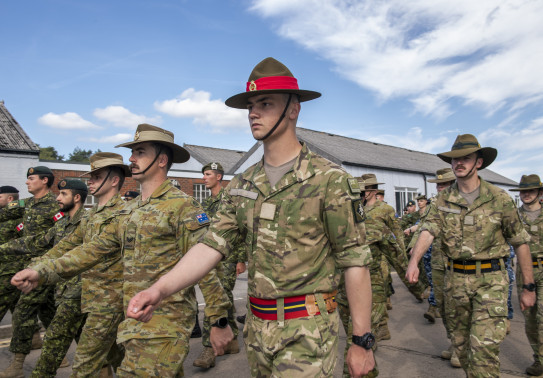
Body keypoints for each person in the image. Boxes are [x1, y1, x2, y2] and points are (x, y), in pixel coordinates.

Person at [124, 57, 376, 378]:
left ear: (293, 109)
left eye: (265, 103)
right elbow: (210, 247)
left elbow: (355, 261)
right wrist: (159, 290)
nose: (253, 113)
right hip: (257, 332)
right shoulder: (243, 184)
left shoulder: (329, 179)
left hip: (307, 331)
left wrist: (361, 340)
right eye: (251, 105)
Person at [12, 125, 231, 377]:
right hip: (134, 318)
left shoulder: (183, 206)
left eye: (139, 152)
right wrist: (41, 271)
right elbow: (90, 250)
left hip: (165, 322)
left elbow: (205, 266)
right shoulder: (130, 210)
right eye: (132, 153)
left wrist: (218, 319)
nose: (131, 159)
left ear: (161, 160)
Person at [406, 134, 536, 377]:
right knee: (462, 350)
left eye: (466, 158)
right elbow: (429, 229)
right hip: (455, 283)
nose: (459, 163)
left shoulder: (499, 198)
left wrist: (527, 287)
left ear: (479, 162)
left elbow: (520, 242)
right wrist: (414, 261)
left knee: (484, 352)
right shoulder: (444, 198)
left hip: (491, 282)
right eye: (455, 159)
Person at [23, 153, 130, 377]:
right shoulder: (91, 217)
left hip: (110, 301)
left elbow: (86, 253)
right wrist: (35, 266)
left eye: (96, 176)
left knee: (83, 365)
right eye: (90, 177)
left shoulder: (125, 215)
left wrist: (41, 272)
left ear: (114, 180)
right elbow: (65, 246)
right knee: (118, 358)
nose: (89, 181)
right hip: (92, 298)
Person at [0, 166, 60, 378]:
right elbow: (6, 212)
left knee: (23, 311)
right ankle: (56, 355)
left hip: (45, 267)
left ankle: (17, 365)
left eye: (31, 178)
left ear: (45, 180)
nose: (27, 182)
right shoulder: (27, 203)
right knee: (49, 313)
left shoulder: (56, 205)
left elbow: (60, 236)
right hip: (26, 267)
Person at [28, 179, 88, 377]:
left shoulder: (87, 222)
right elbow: (47, 247)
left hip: (78, 292)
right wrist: (33, 268)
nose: (57, 198)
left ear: (77, 197)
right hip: (63, 290)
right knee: (95, 349)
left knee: (54, 338)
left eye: (63, 194)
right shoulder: (62, 222)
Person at [193, 162, 245, 369]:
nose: (204, 178)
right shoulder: (205, 204)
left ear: (219, 177)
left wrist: (241, 259)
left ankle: (209, 349)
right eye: (203, 174)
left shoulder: (230, 199)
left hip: (229, 258)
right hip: (211, 257)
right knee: (224, 297)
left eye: (207, 174)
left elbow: (241, 230)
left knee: (215, 298)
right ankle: (231, 341)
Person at [409, 168, 459, 365]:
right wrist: (414, 246)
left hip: (457, 263)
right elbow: (424, 227)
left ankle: (462, 348)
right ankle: (455, 342)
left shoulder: (463, 204)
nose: (440, 188)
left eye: (444, 184)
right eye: (438, 184)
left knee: (457, 305)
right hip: (438, 260)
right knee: (442, 304)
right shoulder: (435, 205)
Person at [509, 174, 543, 376]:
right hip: (524, 271)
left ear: (539, 192)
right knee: (530, 319)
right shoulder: (513, 216)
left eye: (530, 190)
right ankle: (539, 359)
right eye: (523, 191)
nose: (526, 194)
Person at [0, 186, 23, 322]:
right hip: (3, 269)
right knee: (19, 310)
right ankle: (34, 339)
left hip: (12, 270)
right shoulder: (3, 217)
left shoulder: (19, 218)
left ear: (10, 199)